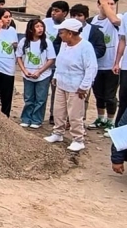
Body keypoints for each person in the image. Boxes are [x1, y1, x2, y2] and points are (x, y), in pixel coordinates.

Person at [44, 18, 98, 152]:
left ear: (70, 33)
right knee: (58, 110)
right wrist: (56, 76)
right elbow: (60, 61)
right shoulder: (64, 44)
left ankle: (78, 139)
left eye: (62, 32)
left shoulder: (85, 47)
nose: (60, 35)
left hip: (76, 86)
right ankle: (58, 133)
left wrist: (84, 86)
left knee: (74, 114)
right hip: (62, 83)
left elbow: (91, 68)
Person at [88, 0, 123, 132]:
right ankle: (100, 118)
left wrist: (117, 63)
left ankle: (110, 121)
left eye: (112, 4)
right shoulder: (92, 22)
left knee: (110, 95)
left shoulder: (118, 20)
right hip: (96, 65)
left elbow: (115, 21)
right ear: (98, 5)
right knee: (98, 94)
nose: (109, 7)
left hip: (112, 65)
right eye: (105, 4)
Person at [17, 19, 56, 128]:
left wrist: (39, 71)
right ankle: (26, 118)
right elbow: (19, 57)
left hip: (43, 75)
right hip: (28, 74)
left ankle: (36, 120)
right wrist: (24, 71)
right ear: (31, 29)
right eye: (37, 26)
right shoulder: (24, 42)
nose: (40, 29)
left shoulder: (47, 42)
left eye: (41, 26)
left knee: (41, 98)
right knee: (28, 98)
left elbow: (51, 59)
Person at [44, 0, 69, 125]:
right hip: (43, 65)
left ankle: (54, 115)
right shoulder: (45, 23)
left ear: (64, 13)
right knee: (42, 91)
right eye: (53, 10)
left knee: (57, 92)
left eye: (57, 11)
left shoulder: (68, 28)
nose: (53, 13)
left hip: (58, 66)